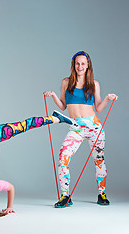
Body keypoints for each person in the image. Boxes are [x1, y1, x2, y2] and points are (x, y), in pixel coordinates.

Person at [44, 51, 118, 208]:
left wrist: (107, 98)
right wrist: (53, 96)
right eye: (77, 63)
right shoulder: (66, 82)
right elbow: (63, 106)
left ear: (88, 65)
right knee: (63, 156)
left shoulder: (94, 84)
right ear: (73, 65)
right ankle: (65, 196)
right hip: (76, 127)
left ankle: (102, 194)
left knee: (99, 160)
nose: (80, 66)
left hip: (94, 126)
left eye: (83, 63)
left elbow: (98, 108)